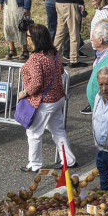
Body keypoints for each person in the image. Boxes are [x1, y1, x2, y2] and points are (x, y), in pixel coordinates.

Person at [17, 24, 74, 172]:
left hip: (44, 101)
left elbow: (36, 83)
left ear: (35, 39)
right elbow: (61, 71)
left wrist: (24, 93)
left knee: (34, 133)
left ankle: (34, 164)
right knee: (58, 130)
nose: (27, 39)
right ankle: (69, 160)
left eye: (28, 36)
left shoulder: (36, 58)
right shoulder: (54, 53)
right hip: (57, 98)